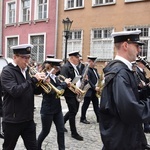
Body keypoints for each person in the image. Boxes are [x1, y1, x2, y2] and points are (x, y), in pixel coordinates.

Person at [99, 30, 150, 150]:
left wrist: (146, 90)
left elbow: (130, 96)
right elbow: (130, 109)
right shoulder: (120, 72)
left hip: (125, 136)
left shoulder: (124, 70)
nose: (139, 50)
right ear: (125, 46)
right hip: (122, 140)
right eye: (136, 46)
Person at [1, 44, 46, 150]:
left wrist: (42, 84)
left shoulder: (27, 72)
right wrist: (33, 80)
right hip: (12, 120)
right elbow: (15, 91)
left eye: (28, 57)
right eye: (23, 57)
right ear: (15, 57)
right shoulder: (7, 71)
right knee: (8, 148)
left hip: (28, 119)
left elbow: (34, 91)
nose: (27, 60)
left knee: (33, 147)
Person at [37, 58, 71, 150]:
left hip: (57, 109)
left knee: (61, 131)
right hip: (47, 110)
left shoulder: (55, 77)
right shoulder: (45, 78)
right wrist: (64, 83)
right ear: (50, 67)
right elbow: (52, 92)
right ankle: (37, 146)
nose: (58, 70)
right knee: (45, 131)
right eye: (56, 68)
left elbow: (60, 92)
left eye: (58, 68)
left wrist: (66, 85)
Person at [60, 51, 83, 141]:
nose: (78, 59)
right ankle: (74, 133)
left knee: (74, 111)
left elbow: (77, 78)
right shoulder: (66, 67)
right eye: (77, 58)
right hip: (69, 94)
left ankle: (62, 122)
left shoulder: (76, 67)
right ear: (72, 57)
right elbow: (64, 81)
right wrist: (74, 88)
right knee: (73, 112)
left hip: (76, 92)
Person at [80, 56, 100, 124]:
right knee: (86, 105)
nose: (95, 64)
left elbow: (97, 78)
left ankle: (99, 118)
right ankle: (82, 118)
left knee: (96, 105)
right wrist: (94, 87)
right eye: (94, 62)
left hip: (94, 91)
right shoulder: (87, 69)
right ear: (90, 62)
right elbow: (88, 80)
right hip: (88, 90)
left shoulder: (95, 70)